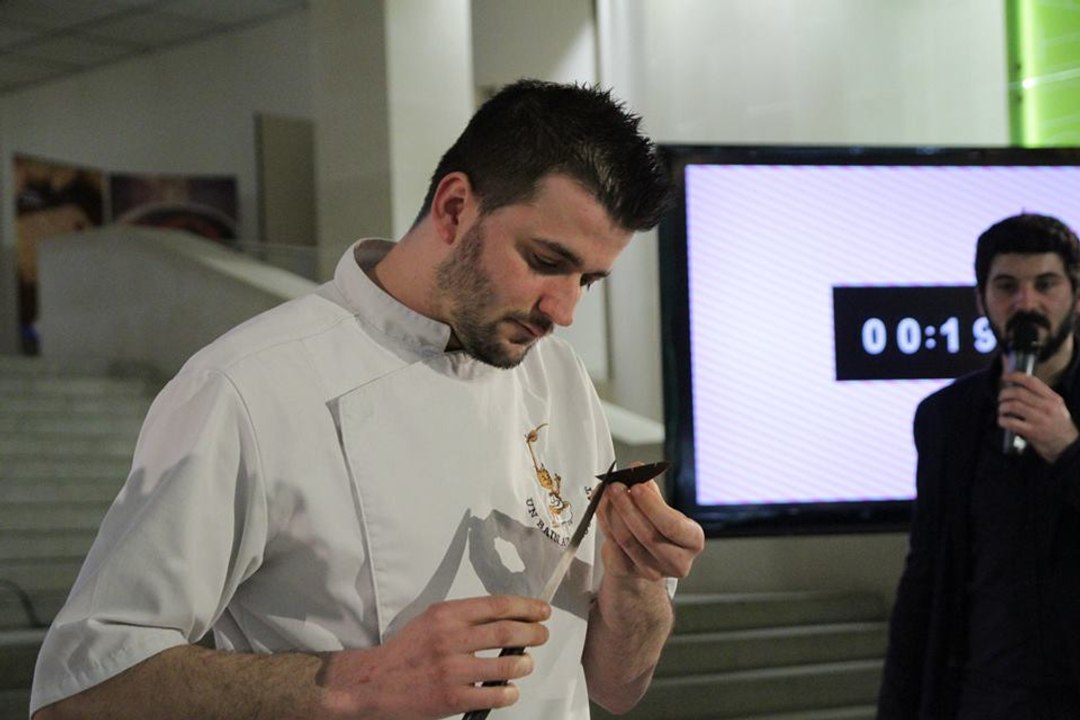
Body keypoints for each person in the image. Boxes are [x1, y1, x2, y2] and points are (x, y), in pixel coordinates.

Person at [30, 79, 705, 720]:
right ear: (453, 207)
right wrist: (358, 683)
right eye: (546, 261)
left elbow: (616, 686)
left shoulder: (560, 379)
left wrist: (638, 581)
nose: (563, 311)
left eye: (591, 279)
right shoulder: (247, 386)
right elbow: (81, 688)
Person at [878, 212, 1080, 719]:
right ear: (981, 299)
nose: (1025, 303)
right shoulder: (946, 417)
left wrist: (1069, 451)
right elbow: (925, 574)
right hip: (982, 696)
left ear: (1076, 295)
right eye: (1007, 285)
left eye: (1045, 284)